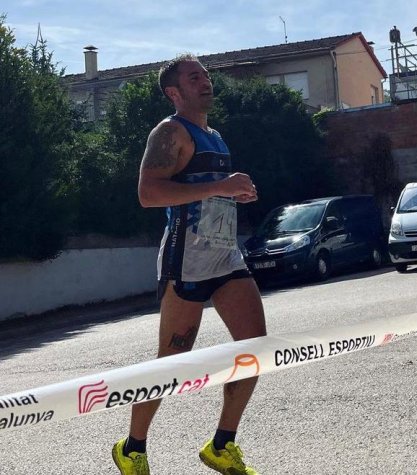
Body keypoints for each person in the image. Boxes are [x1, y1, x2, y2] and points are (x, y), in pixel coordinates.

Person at [111, 54, 266, 475]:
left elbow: (205, 191)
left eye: (206, 75)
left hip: (224, 255)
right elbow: (148, 194)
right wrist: (221, 185)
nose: (205, 82)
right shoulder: (170, 132)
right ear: (174, 92)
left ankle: (222, 445)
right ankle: (133, 447)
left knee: (255, 348)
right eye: (194, 77)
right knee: (172, 362)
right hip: (186, 259)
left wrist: (234, 193)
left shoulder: (214, 135)